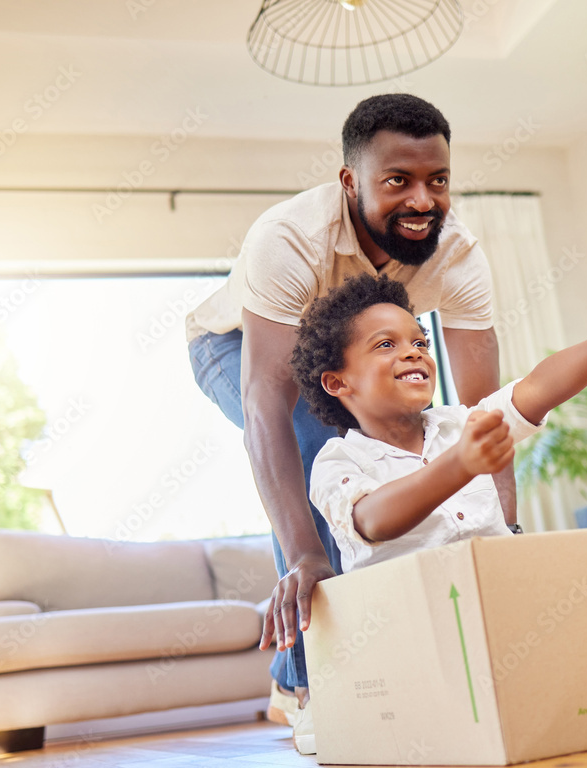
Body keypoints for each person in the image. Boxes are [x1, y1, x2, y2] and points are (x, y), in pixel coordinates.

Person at [185, 94, 512, 751]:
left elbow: (482, 418)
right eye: (398, 181)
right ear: (350, 183)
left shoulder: (459, 257)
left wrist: (504, 529)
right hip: (233, 348)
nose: (422, 200)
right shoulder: (288, 238)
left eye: (438, 181)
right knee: (326, 457)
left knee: (421, 462)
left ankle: (397, 669)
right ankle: (306, 685)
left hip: (354, 357)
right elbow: (265, 405)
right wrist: (306, 554)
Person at [291, 274, 587, 572]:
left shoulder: (460, 422)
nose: (413, 352)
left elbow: (536, 388)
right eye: (385, 345)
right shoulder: (337, 460)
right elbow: (374, 519)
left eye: (421, 343)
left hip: (504, 595)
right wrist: (459, 464)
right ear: (337, 382)